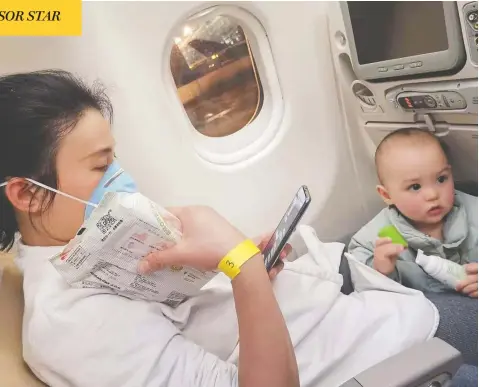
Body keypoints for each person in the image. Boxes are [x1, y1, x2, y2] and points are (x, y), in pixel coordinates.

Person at [0, 70, 476, 387]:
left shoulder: (94, 241)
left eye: (115, 157)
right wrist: (242, 266)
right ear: (25, 194)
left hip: (346, 316)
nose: (121, 178)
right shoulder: (73, 326)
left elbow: (203, 316)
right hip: (381, 349)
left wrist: (245, 268)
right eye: (100, 165)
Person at [348, 128, 478, 296]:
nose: (432, 195)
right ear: (387, 195)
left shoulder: (474, 212)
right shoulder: (375, 240)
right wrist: (381, 273)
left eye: (441, 179)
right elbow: (366, 298)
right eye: (415, 187)